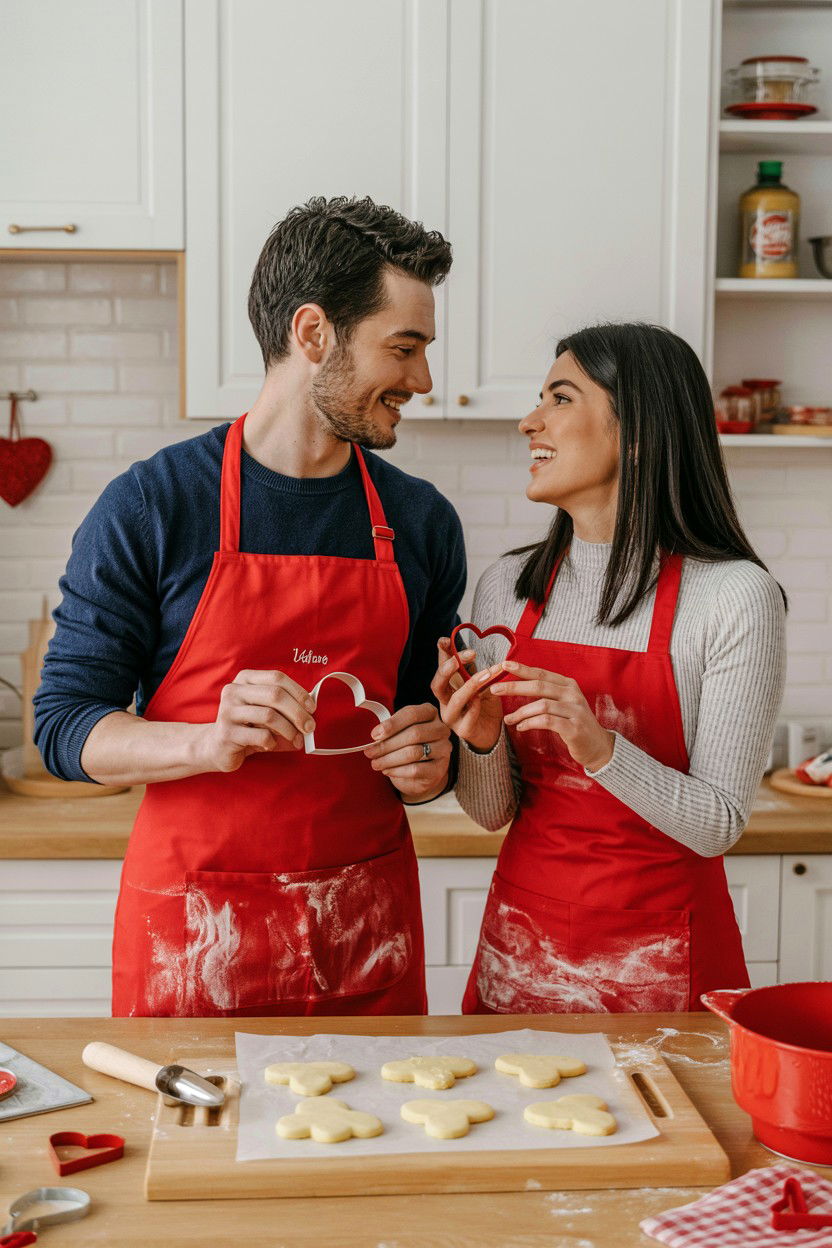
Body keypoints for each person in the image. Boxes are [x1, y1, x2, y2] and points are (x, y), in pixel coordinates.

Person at [35, 196, 465, 1018]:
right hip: (195, 934)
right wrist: (208, 739)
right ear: (313, 334)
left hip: (363, 931)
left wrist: (431, 764)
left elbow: (422, 726)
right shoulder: (155, 505)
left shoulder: (420, 522)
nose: (422, 380)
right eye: (403, 348)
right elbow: (61, 726)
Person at [432, 322, 786, 1014]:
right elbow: (490, 812)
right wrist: (478, 741)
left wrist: (598, 746)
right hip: (523, 950)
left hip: (663, 963)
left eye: (559, 398)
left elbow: (718, 822)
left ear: (639, 432)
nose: (528, 421)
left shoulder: (734, 597)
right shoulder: (508, 589)